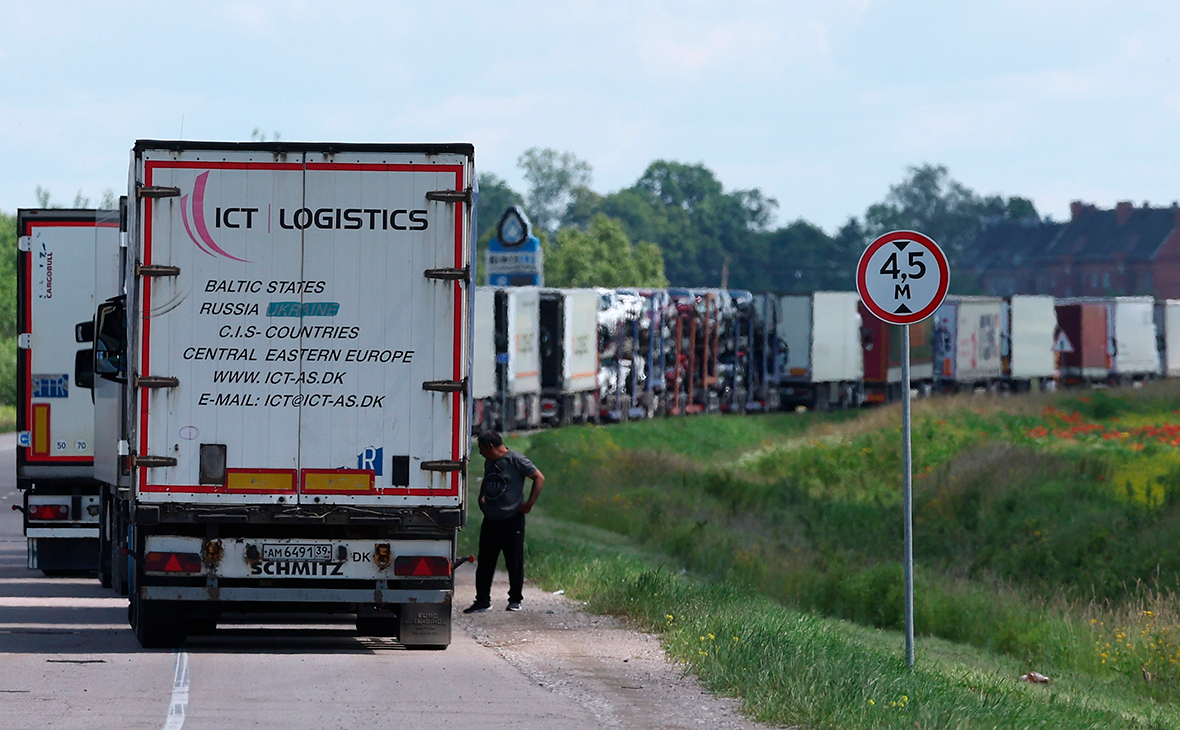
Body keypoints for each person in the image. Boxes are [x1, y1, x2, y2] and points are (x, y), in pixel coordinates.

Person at [463, 430, 545, 613]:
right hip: (491, 519)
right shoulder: (489, 462)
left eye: (483, 449)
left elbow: (539, 478)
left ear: (491, 447)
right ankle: (482, 600)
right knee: (485, 561)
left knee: (513, 561)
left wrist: (530, 503)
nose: (481, 453)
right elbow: (487, 479)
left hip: (512, 519)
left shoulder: (516, 460)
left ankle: (515, 599)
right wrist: (482, 497)